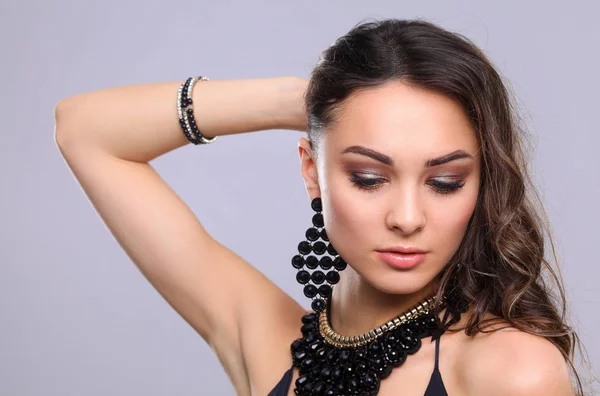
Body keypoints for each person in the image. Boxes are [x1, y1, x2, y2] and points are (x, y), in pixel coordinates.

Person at [54, 18, 586, 395]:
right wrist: (304, 101)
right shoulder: (267, 341)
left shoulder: (511, 372)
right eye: (369, 176)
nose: (406, 217)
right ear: (312, 170)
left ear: (480, 184)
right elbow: (85, 130)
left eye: (444, 181)